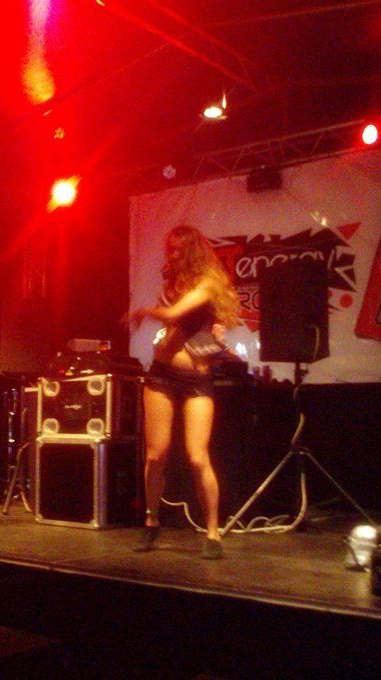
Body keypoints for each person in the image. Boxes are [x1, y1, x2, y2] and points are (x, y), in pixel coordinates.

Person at [127, 225, 241, 559]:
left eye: (178, 250)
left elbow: (175, 315)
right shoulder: (171, 283)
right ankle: (151, 521)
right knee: (155, 454)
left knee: (196, 456)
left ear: (192, 251)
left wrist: (143, 311)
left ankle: (213, 531)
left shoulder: (208, 282)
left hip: (196, 379)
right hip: (162, 373)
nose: (173, 255)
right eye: (170, 250)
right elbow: (174, 323)